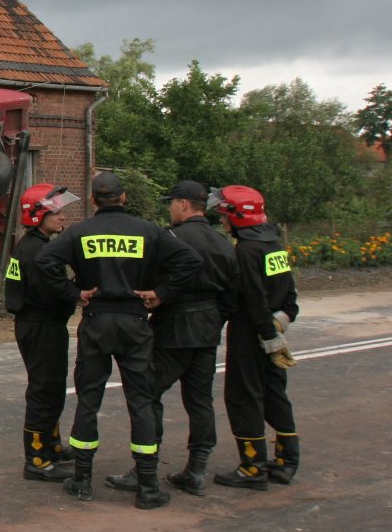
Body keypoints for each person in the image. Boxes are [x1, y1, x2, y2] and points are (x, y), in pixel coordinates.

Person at [36, 172, 201, 509]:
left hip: (96, 322)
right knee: (141, 401)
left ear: (94, 200)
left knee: (88, 400)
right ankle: (147, 485)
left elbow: (44, 261)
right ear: (124, 198)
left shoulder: (80, 232)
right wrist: (161, 293)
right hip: (135, 323)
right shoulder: (150, 231)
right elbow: (189, 261)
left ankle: (82, 480)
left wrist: (74, 292)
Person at [104, 180, 238, 496]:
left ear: (182, 204)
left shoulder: (170, 238)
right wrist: (214, 319)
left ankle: (144, 467)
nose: (169, 208)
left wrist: (158, 298)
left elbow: (149, 279)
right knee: (200, 400)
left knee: (147, 393)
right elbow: (232, 295)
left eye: (171, 203)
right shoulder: (222, 243)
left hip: (173, 328)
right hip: (207, 329)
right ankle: (196, 469)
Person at [211, 185, 301, 489]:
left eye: (225, 216)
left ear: (238, 217)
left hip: (252, 335)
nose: (223, 222)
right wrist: (279, 329)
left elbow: (253, 298)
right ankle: (287, 462)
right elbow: (290, 296)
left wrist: (266, 336)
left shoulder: (246, 250)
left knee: (243, 396)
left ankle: (252, 468)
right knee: (275, 393)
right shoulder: (274, 244)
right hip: (272, 329)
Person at [5, 183, 81, 482]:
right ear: (37, 215)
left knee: (50, 388)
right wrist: (80, 293)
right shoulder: (38, 251)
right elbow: (54, 292)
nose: (62, 218)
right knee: (44, 391)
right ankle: (37, 459)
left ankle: (51, 446)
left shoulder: (31, 245)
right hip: (41, 326)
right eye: (56, 212)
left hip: (34, 325)